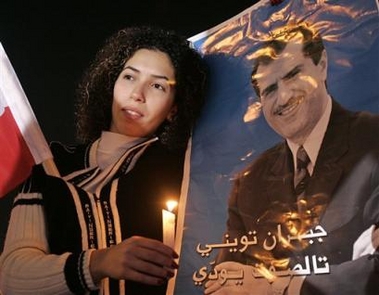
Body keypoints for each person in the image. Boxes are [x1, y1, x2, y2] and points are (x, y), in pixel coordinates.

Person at [0, 26, 208, 295]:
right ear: (111, 83)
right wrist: (98, 263)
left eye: (157, 85)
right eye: (129, 77)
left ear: (174, 108)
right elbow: (10, 278)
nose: (137, 94)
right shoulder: (51, 166)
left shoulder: (187, 170)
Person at [204, 23, 379, 295]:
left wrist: (283, 287)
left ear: (322, 65)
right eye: (269, 90)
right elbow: (224, 282)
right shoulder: (248, 184)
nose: (283, 97)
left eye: (294, 74)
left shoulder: (373, 139)